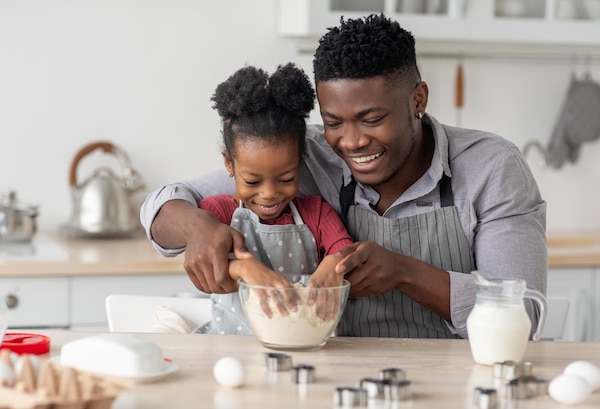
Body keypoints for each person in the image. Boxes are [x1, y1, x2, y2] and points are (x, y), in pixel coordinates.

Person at [141, 14, 547, 339]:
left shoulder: (491, 168)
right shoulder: (305, 157)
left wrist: (404, 273)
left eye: (372, 119)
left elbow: (521, 314)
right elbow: (164, 204)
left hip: (457, 379)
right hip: (332, 374)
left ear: (418, 99)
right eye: (334, 121)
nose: (351, 142)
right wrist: (196, 227)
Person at [191, 63, 353, 334]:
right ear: (229, 165)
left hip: (302, 342)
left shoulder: (316, 213)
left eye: (286, 179)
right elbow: (207, 260)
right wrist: (245, 269)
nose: (269, 193)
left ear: (300, 163)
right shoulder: (218, 212)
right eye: (252, 181)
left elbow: (344, 249)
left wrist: (332, 266)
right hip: (232, 345)